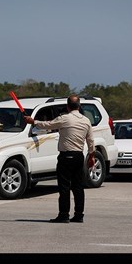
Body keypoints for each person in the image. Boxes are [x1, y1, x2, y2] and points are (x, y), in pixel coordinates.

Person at [24, 95, 95, 223]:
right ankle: (79, 214)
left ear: (68, 106)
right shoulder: (86, 121)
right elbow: (90, 141)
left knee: (64, 187)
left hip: (66, 156)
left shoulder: (64, 118)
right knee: (78, 187)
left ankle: (64, 214)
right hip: (79, 156)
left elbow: (48, 125)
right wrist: (92, 156)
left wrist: (33, 121)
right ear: (79, 106)